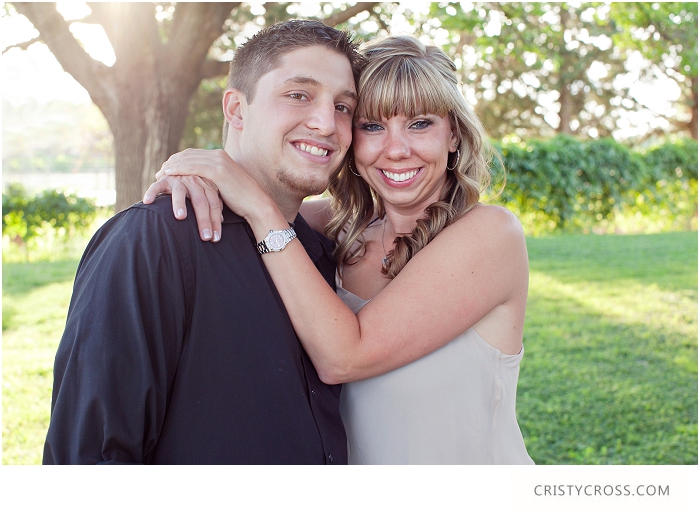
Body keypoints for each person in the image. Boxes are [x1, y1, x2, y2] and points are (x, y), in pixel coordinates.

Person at [147, 36, 534, 464]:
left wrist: (256, 205)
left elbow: (343, 358)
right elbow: (268, 195)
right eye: (372, 126)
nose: (397, 149)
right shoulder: (336, 228)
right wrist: (192, 176)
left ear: (454, 135)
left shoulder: (491, 234)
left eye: (421, 123)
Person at [42, 20, 366, 464]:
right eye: (298, 95)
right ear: (235, 109)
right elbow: (90, 459)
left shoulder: (324, 255)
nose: (326, 123)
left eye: (344, 106)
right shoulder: (153, 240)